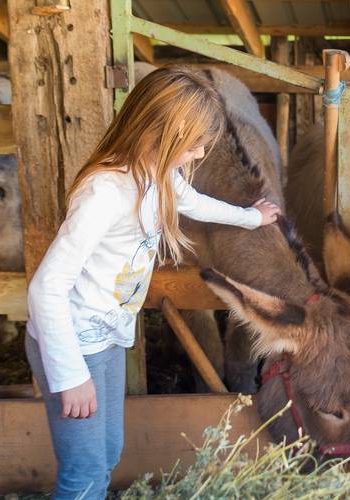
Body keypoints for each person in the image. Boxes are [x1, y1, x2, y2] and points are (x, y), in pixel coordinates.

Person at [24, 66, 280, 500]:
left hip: (105, 338)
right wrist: (69, 375)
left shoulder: (158, 175)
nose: (199, 156)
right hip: (72, 343)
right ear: (161, 131)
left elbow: (194, 202)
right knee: (84, 469)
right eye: (194, 145)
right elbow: (46, 287)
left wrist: (251, 217)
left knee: (107, 452)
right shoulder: (105, 193)